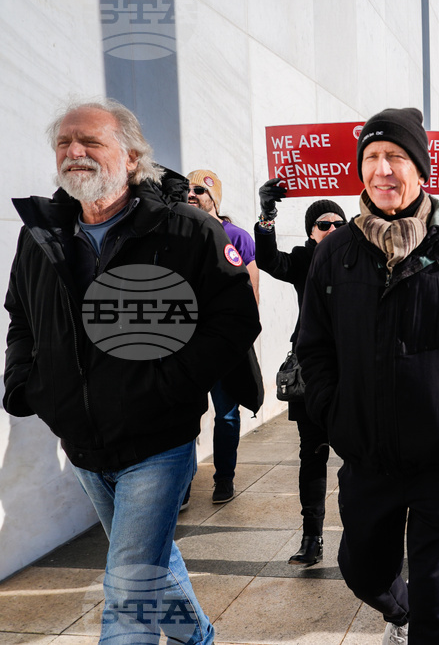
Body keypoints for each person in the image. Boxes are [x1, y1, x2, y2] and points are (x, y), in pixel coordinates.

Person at [3, 99, 260, 643]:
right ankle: (200, 638)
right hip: (83, 442)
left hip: (158, 444)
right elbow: (20, 314)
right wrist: (27, 383)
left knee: (127, 585)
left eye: (91, 142)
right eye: (64, 143)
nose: (75, 152)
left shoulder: (188, 230)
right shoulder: (39, 236)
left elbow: (235, 320)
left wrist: (172, 385)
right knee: (151, 560)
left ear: (132, 155)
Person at [296, 107, 439, 645]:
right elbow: (313, 347)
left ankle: (420, 622)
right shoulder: (336, 255)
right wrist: (337, 415)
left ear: (421, 171)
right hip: (366, 457)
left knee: (438, 604)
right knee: (363, 571)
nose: (383, 169)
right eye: (373, 157)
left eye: (396, 157)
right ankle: (397, 612)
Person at [255, 180, 346, 566]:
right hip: (311, 369)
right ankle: (313, 538)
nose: (332, 230)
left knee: (359, 457)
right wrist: (267, 217)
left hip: (353, 370)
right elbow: (268, 261)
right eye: (324, 224)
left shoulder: (359, 256)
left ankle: (365, 534)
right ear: (311, 230)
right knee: (313, 454)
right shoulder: (303, 259)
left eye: (340, 224)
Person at [186, 169, 260, 504]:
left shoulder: (237, 236)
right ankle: (181, 485)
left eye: (199, 189)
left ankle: (224, 479)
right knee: (183, 416)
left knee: (227, 415)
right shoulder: (179, 233)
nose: (192, 194)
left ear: (214, 196)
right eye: (187, 189)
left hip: (224, 344)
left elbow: (251, 287)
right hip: (186, 344)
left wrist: (244, 335)